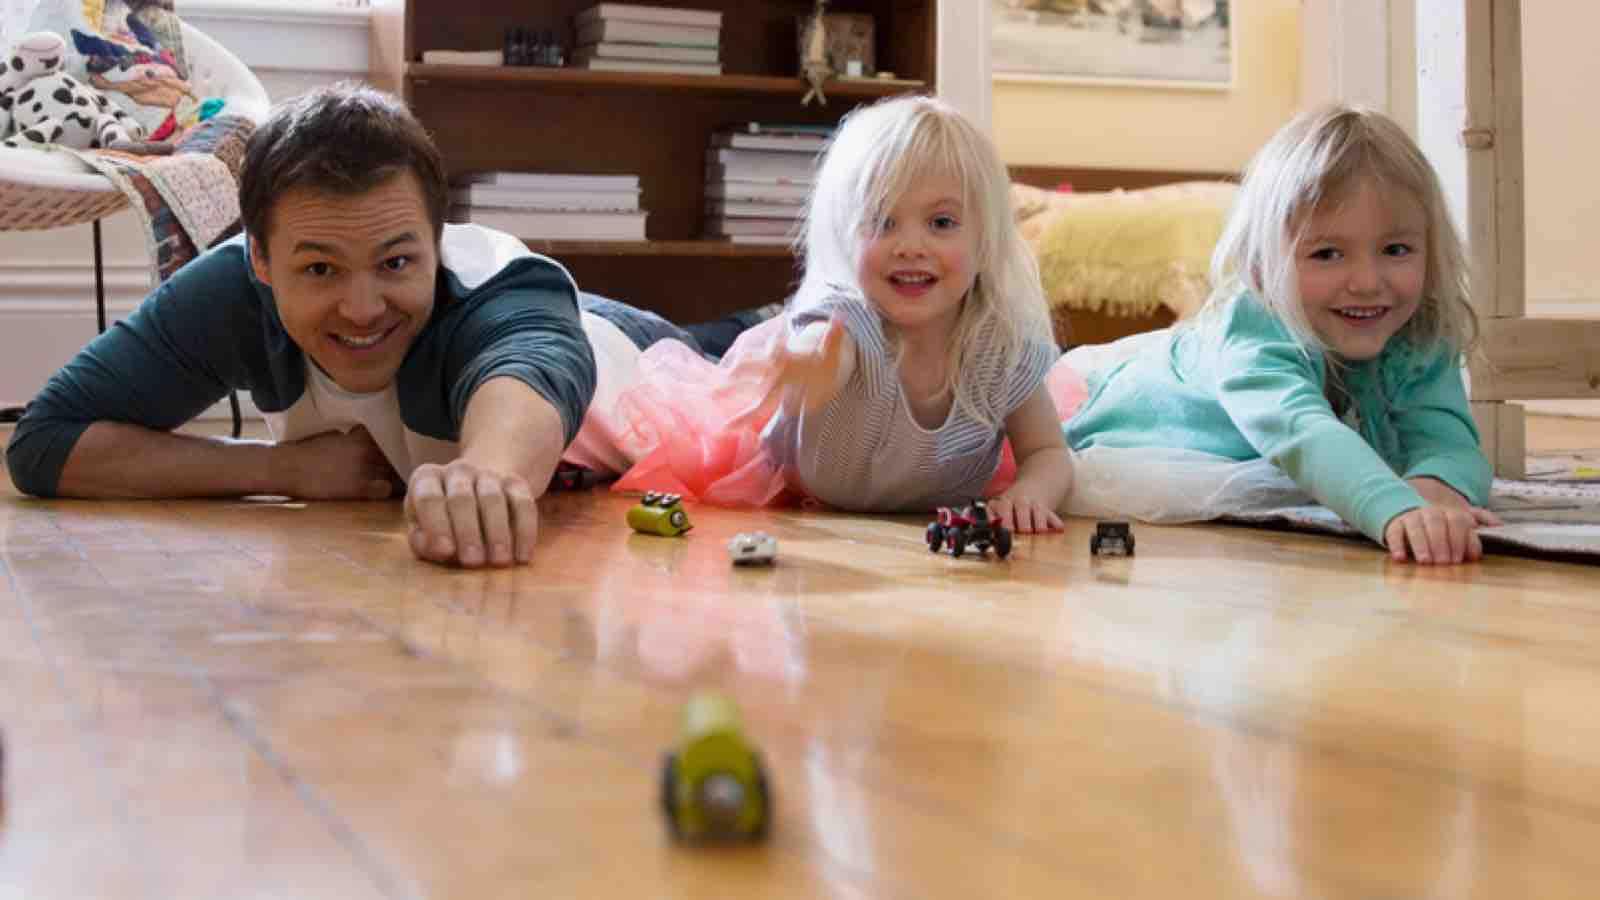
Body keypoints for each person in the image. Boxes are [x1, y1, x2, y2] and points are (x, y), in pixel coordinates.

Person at [3, 83, 745, 568]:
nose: (362, 308)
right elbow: (45, 442)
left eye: (396, 262)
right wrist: (278, 470)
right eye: (320, 269)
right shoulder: (230, 289)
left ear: (438, 241)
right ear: (261, 260)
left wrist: (488, 474)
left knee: (744, 344)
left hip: (644, 356)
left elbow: (532, 359)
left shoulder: (499, 288)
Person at [598, 94, 1074, 533]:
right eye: (883, 221)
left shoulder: (999, 347)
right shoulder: (846, 322)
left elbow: (1048, 452)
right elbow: (823, 351)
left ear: (986, 240)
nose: (911, 246)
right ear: (847, 232)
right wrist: (808, 370)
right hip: (782, 445)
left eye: (941, 222)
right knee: (647, 341)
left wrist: (1032, 491)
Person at [1062, 104, 1501, 564]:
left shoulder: (1417, 328)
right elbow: (1302, 432)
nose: (1368, 281)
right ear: (1261, 266)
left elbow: (1448, 437)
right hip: (1107, 406)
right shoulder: (1257, 328)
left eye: (1395, 249)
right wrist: (1394, 507)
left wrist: (1434, 489)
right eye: (1327, 254)